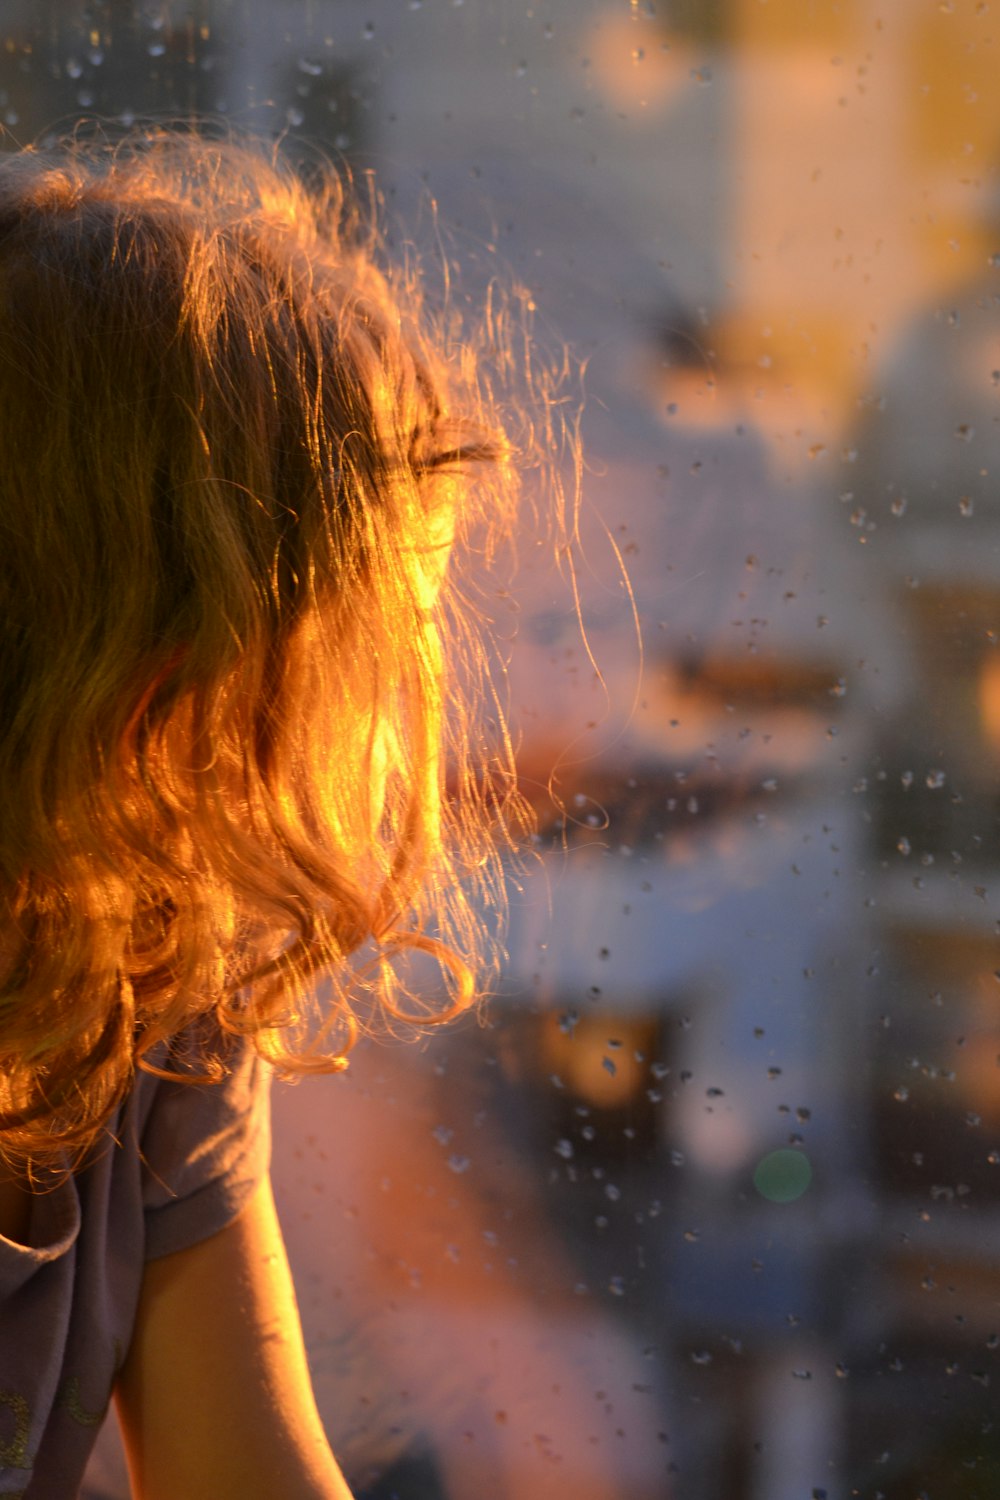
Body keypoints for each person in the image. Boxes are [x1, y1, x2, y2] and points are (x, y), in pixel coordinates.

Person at [0, 127, 530, 1499]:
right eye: (348, 668)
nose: (361, 754)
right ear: (155, 678)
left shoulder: (158, 1003)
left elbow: (250, 1467)